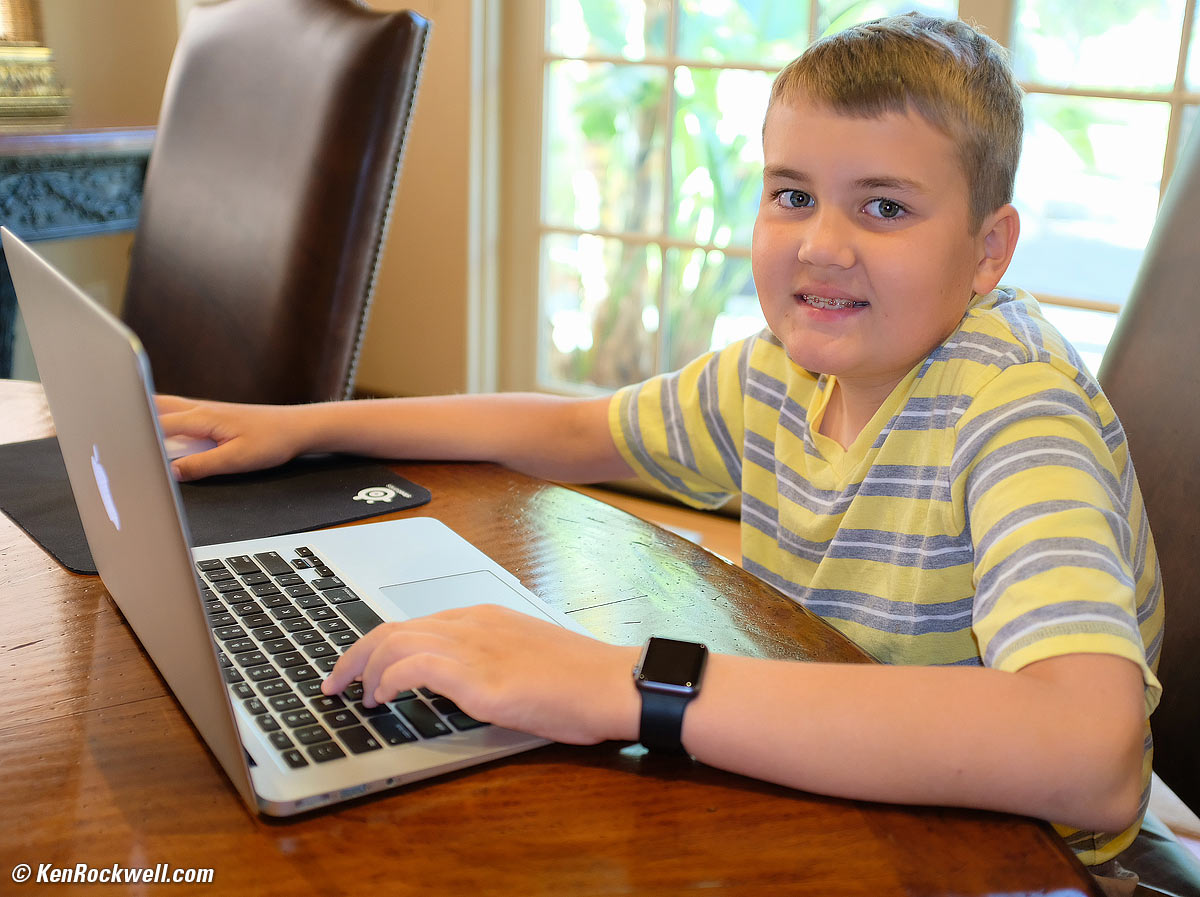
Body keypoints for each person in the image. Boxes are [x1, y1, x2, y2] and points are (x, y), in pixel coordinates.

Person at [156, 13, 1161, 888]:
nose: (821, 245)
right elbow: (576, 430)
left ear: (989, 251)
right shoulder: (782, 370)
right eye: (792, 193)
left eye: (885, 206)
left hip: (1015, 860)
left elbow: (1092, 753)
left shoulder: (1017, 410)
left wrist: (624, 684)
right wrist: (308, 425)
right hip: (845, 792)